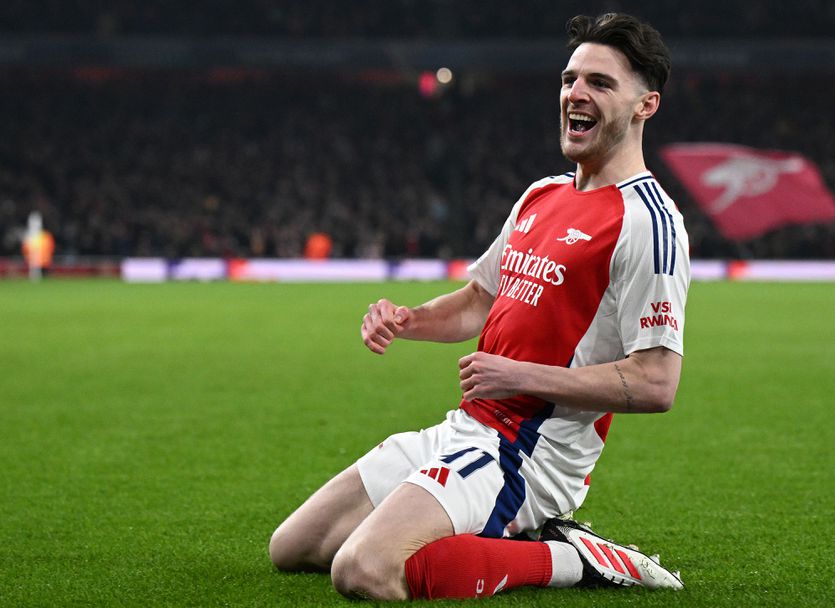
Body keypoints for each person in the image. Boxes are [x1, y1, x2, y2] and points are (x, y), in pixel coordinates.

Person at [269, 13, 690, 601]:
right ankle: (499, 533)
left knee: (363, 569)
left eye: (600, 83)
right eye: (570, 79)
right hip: (466, 429)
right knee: (292, 547)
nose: (575, 93)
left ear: (646, 105)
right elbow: (478, 302)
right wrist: (406, 320)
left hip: (528, 455)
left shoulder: (649, 222)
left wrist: (518, 375)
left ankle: (571, 558)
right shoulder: (542, 195)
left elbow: (655, 383)